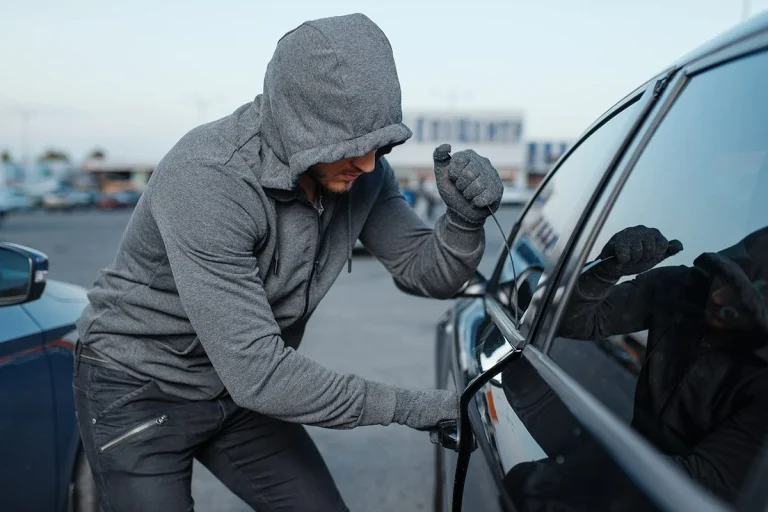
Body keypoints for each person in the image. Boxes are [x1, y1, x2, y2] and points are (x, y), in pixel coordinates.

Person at [72, 13, 503, 512]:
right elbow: (259, 372)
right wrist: (410, 407)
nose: (367, 163)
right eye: (350, 145)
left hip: (239, 391)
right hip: (137, 385)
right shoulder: (208, 178)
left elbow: (425, 271)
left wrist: (464, 222)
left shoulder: (363, 173)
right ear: (303, 124)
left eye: (378, 144)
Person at [559, 225, 768, 501]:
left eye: (740, 298)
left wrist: (588, 476)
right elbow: (573, 323)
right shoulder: (681, 289)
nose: (718, 297)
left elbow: (703, 482)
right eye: (725, 278)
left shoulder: (761, 382)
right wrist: (605, 270)